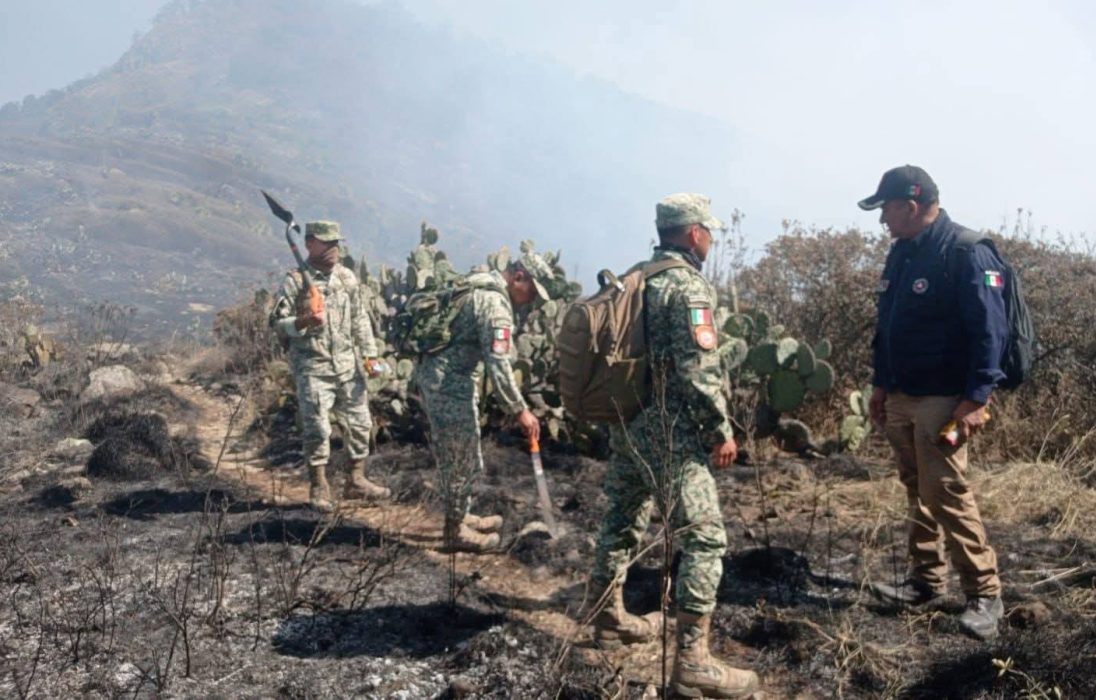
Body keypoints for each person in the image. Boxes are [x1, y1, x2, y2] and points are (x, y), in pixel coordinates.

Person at [589, 194, 758, 698]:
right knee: (705, 538)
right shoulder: (687, 287)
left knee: (622, 514)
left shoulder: (638, 275)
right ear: (693, 234)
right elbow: (698, 368)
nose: (710, 239)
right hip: (672, 433)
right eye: (708, 231)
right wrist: (719, 430)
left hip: (630, 422)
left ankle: (607, 618)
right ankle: (693, 661)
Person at [859, 165, 1007, 640]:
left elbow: (991, 334)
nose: (882, 219)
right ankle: (926, 581)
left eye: (886, 209)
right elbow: (887, 326)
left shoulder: (966, 251)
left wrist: (977, 399)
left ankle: (985, 593)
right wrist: (882, 385)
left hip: (945, 400)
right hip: (902, 395)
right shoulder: (902, 252)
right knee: (915, 486)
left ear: (911, 205)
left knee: (944, 489)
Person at [413, 250, 556, 554]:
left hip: (445, 377)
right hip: (447, 383)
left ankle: (461, 515)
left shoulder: (481, 282)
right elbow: (500, 365)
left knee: (465, 450)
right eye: (531, 290)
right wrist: (521, 411)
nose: (531, 299)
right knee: (460, 455)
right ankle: (455, 532)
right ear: (519, 277)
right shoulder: (495, 306)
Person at [270, 221, 389, 513]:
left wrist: (370, 356)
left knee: (361, 423)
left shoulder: (346, 277)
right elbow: (277, 324)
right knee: (318, 428)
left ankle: (356, 479)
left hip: (348, 366)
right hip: (313, 365)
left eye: (337, 241)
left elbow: (360, 319)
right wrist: (302, 322)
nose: (335, 248)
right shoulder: (296, 281)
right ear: (310, 243)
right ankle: (318, 484)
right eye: (327, 242)